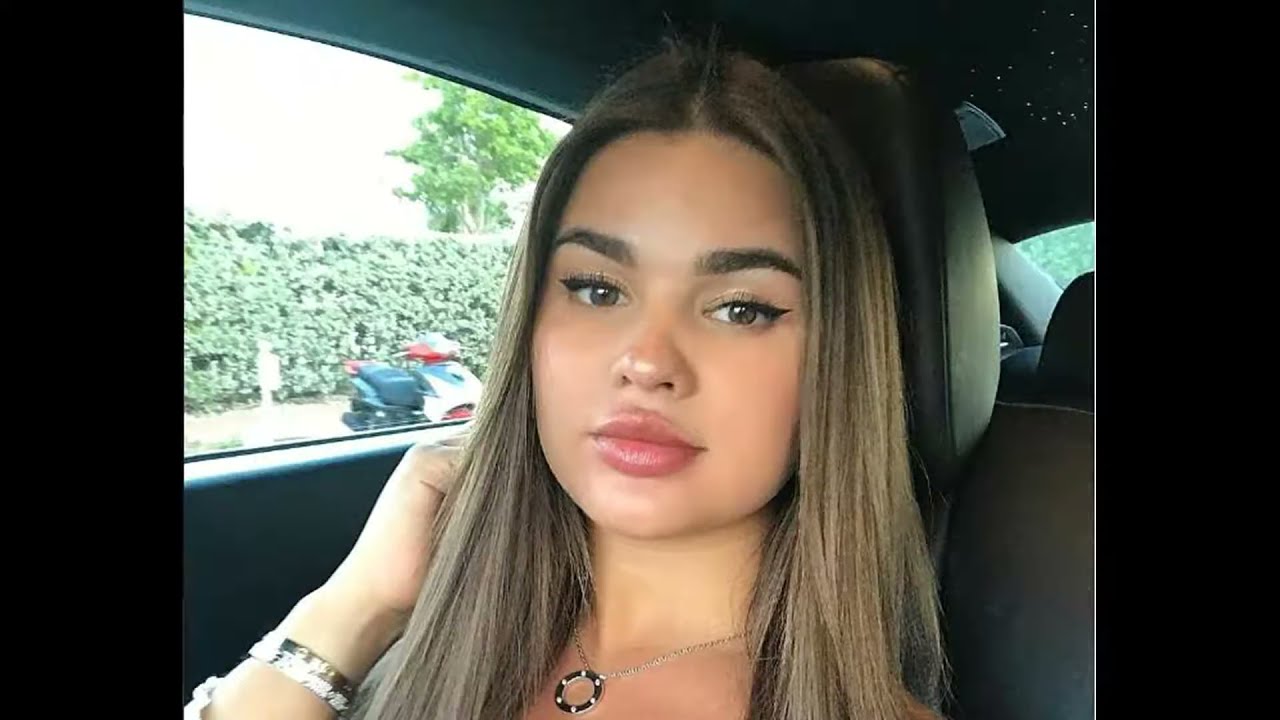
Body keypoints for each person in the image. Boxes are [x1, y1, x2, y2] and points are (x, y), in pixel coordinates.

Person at [188, 37, 943, 720]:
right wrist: (354, 610)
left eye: (741, 309)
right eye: (597, 290)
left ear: (836, 362)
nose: (647, 362)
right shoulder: (427, 642)